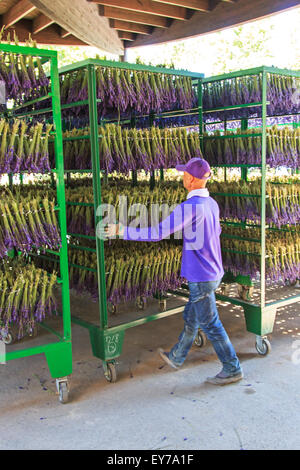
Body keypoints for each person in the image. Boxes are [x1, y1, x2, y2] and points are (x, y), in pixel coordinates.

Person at [104, 158, 243, 385]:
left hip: (202, 276)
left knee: (211, 324)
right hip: (214, 271)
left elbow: (158, 233)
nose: (182, 178)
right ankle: (177, 356)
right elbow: (216, 231)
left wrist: (122, 230)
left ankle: (232, 368)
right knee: (191, 316)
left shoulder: (190, 207)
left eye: (183, 174)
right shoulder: (212, 204)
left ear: (190, 178)